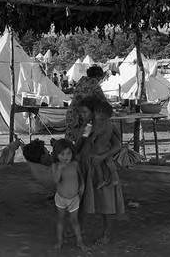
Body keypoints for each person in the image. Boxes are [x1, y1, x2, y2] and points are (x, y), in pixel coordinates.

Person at [74, 96, 125, 246]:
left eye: (84, 112)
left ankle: (106, 234)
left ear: (96, 112)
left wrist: (102, 157)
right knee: (82, 198)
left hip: (101, 167)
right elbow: (80, 144)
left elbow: (117, 145)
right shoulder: (88, 126)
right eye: (80, 113)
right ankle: (80, 229)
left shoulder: (108, 126)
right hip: (86, 165)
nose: (82, 115)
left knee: (106, 201)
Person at [51, 139, 89, 252]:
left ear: (72, 153)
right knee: (61, 220)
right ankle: (59, 241)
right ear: (56, 155)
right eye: (62, 154)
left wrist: (82, 185)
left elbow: (80, 175)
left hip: (74, 199)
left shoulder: (75, 164)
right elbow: (56, 180)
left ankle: (79, 241)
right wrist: (59, 169)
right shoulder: (55, 165)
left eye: (68, 153)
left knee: (74, 221)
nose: (65, 156)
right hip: (61, 199)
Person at [65, 65, 108, 142]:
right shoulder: (93, 82)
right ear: (97, 76)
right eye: (100, 77)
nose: (100, 79)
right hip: (79, 115)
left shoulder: (81, 80)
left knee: (70, 138)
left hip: (71, 112)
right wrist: (110, 109)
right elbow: (102, 98)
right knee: (81, 138)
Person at [89, 100, 119, 189]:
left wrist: (92, 136)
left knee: (99, 164)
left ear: (101, 114)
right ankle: (110, 179)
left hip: (99, 150)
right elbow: (118, 137)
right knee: (109, 164)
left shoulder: (100, 125)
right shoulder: (110, 124)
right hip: (107, 148)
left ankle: (103, 180)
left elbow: (95, 134)